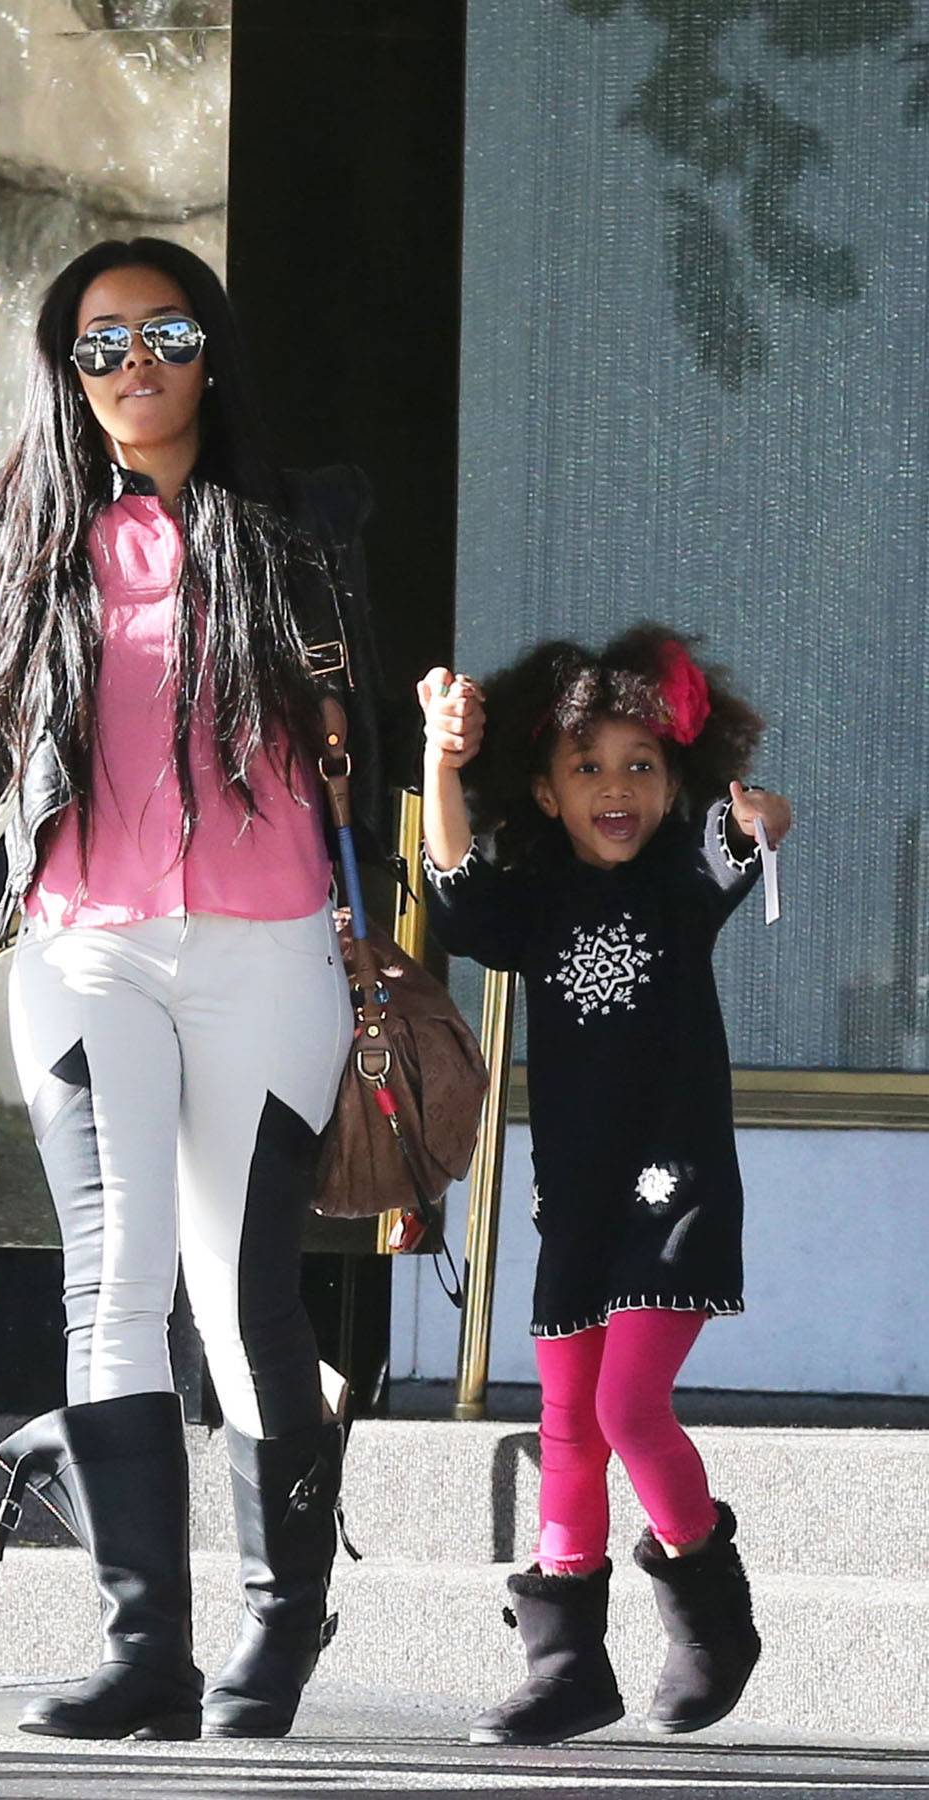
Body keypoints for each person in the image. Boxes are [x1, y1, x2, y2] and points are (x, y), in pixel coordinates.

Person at [0, 237, 406, 1742]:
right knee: (109, 1288)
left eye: (160, 333)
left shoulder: (293, 527)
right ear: (68, 369)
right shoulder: (35, 535)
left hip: (270, 949)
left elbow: (354, 740)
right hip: (84, 943)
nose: (131, 365)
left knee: (243, 1311)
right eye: (99, 344)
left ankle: (279, 1625)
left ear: (207, 350)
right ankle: (142, 1652)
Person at [417, 627, 792, 1745]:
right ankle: (567, 1663)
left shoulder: (682, 881)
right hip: (571, 1197)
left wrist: (759, 817)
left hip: (676, 1192)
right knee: (569, 1424)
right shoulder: (529, 902)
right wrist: (439, 764)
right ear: (543, 789)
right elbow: (455, 896)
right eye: (586, 767)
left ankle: (711, 1618)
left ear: (674, 780)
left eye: (640, 764)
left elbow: (743, 832)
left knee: (630, 1407)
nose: (614, 787)